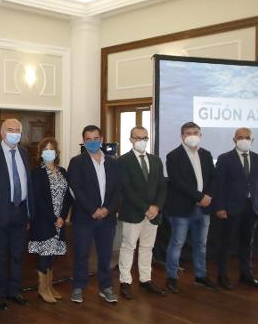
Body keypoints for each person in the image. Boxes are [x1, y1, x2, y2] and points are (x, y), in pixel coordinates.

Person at [67, 125, 121, 304]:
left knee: (105, 255)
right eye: (88, 139)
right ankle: (78, 287)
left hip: (107, 217)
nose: (92, 142)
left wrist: (107, 209)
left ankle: (105, 287)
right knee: (81, 254)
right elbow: (77, 189)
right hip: (84, 218)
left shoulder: (113, 162)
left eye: (95, 138)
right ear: (83, 141)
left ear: (102, 139)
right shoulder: (76, 162)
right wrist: (93, 210)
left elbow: (118, 191)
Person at [0, 119, 34, 310]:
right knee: (0, 255)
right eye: (10, 130)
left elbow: (27, 183)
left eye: (17, 130)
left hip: (20, 211)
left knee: (17, 255)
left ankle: (14, 291)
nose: (14, 133)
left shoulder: (23, 153)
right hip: (0, 213)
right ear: (2, 132)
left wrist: (30, 212)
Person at [164, 122, 217, 293]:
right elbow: (177, 182)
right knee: (177, 243)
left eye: (196, 132)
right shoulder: (173, 156)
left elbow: (213, 178)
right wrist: (200, 197)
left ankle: (200, 276)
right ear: (182, 136)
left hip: (204, 208)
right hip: (182, 208)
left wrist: (207, 196)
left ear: (200, 135)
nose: (192, 135)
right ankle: (172, 277)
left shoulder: (206, 154)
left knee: (201, 244)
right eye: (188, 133)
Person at [214, 127, 258, 290]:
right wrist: (220, 207)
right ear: (234, 140)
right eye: (240, 137)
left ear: (252, 140)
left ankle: (246, 275)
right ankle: (222, 276)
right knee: (226, 243)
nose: (244, 140)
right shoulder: (224, 159)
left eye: (247, 137)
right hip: (230, 209)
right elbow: (219, 185)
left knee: (247, 243)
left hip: (252, 209)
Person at [117, 126, 167, 299]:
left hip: (153, 214)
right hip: (133, 213)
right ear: (130, 139)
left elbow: (162, 186)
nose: (141, 141)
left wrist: (156, 207)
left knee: (147, 247)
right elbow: (126, 189)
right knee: (128, 246)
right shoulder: (122, 161)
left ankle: (146, 279)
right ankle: (125, 281)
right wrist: (145, 208)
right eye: (138, 138)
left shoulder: (155, 160)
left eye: (145, 138)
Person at [28, 137, 72, 303]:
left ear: (56, 152)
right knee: (44, 254)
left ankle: (50, 286)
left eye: (51, 149)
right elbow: (39, 200)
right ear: (40, 153)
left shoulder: (62, 172)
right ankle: (42, 288)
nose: (49, 152)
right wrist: (54, 218)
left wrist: (62, 216)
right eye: (45, 149)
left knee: (52, 254)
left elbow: (68, 196)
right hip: (44, 221)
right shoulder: (37, 173)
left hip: (59, 220)